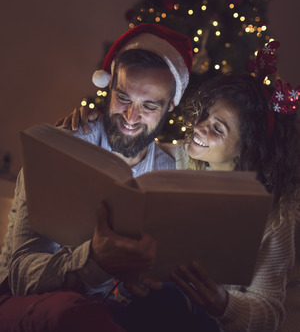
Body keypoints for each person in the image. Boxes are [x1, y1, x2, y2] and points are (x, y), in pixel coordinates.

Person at [63, 41, 300, 332]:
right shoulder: (181, 159)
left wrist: (223, 303)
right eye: (204, 115)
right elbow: (134, 142)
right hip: (154, 305)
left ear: (246, 149)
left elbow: (269, 313)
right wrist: (94, 121)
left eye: (217, 128)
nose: (199, 127)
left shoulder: (277, 214)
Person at [0, 23, 194, 331]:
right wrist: (94, 261)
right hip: (34, 302)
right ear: (109, 87)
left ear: (170, 106)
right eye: (123, 97)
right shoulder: (62, 147)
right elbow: (23, 275)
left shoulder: (169, 174)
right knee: (74, 316)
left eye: (149, 106)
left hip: (116, 310)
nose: (131, 117)